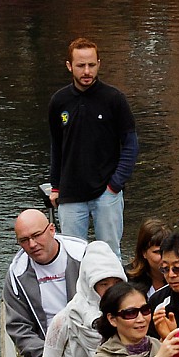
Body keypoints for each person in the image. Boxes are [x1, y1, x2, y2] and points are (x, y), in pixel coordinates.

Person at [47, 37, 138, 250]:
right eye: (81, 65)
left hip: (106, 193)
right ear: (69, 66)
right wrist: (55, 186)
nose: (87, 71)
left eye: (91, 65)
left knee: (109, 253)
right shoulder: (58, 101)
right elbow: (57, 146)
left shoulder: (114, 99)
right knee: (72, 254)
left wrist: (115, 184)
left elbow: (131, 145)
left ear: (99, 64)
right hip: (70, 194)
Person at [5, 209, 86, 357]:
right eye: (24, 240)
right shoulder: (17, 273)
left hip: (89, 342)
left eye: (36, 235)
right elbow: (18, 327)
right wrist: (51, 355)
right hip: (45, 349)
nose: (32, 244)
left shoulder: (83, 256)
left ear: (51, 230)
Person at [126, 217, 170, 303]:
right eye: (157, 252)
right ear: (144, 253)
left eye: (168, 251)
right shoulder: (127, 280)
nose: (164, 258)